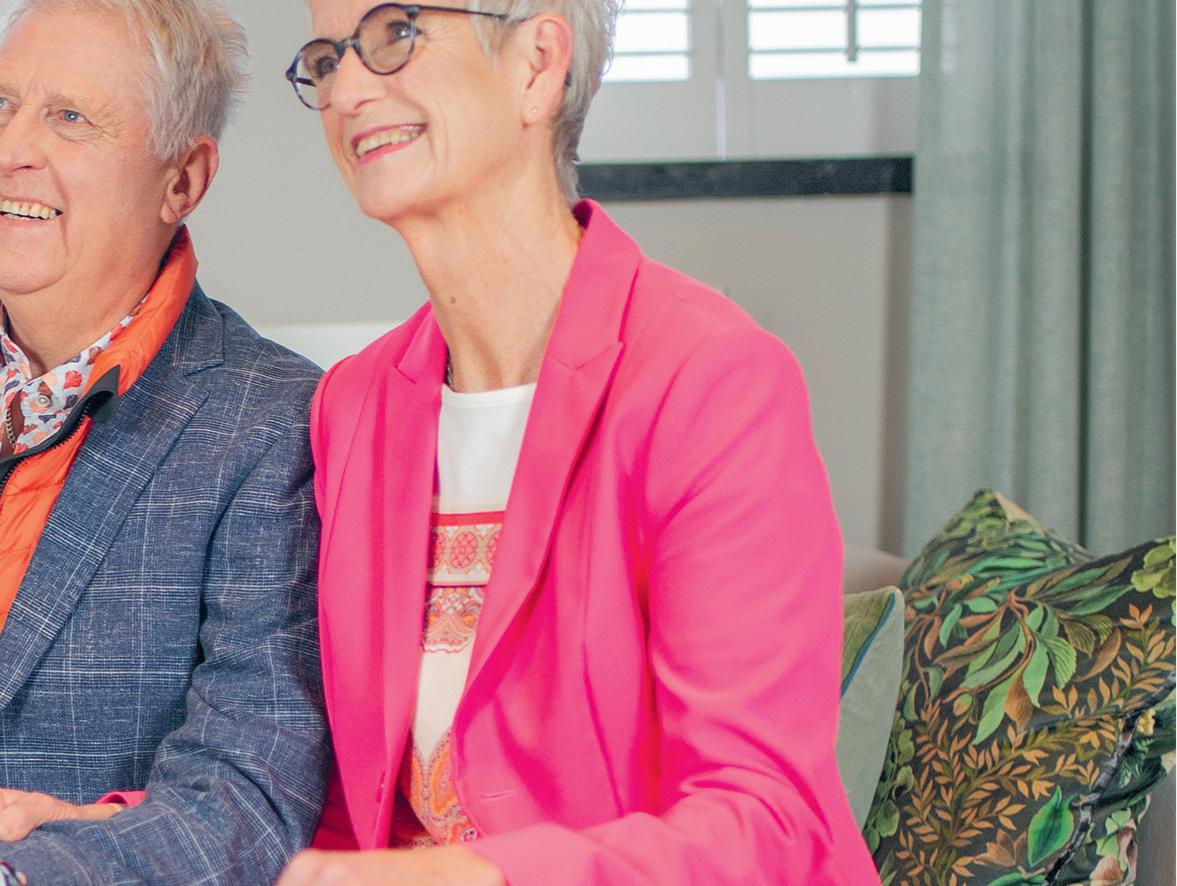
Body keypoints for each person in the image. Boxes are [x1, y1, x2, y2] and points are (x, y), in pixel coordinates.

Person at [278, 0, 881, 882]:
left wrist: (481, 876)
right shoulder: (353, 404)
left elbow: (764, 823)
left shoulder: (711, 381)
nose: (345, 90)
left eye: (394, 34)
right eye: (328, 58)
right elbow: (341, 803)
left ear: (536, 63)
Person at [0, 0, 329, 881]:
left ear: (181, 182)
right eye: (1, 105)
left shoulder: (274, 425)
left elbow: (247, 803)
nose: (10, 148)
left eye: (71, 117)